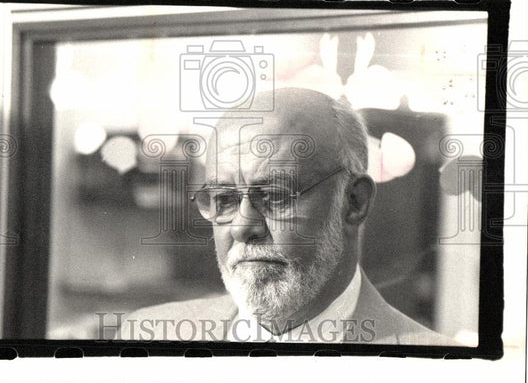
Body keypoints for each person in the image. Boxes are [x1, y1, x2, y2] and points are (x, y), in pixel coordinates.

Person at [123, 88, 455, 344]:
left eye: (275, 196)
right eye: (223, 199)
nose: (242, 227)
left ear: (353, 202)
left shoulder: (436, 369)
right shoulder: (145, 336)